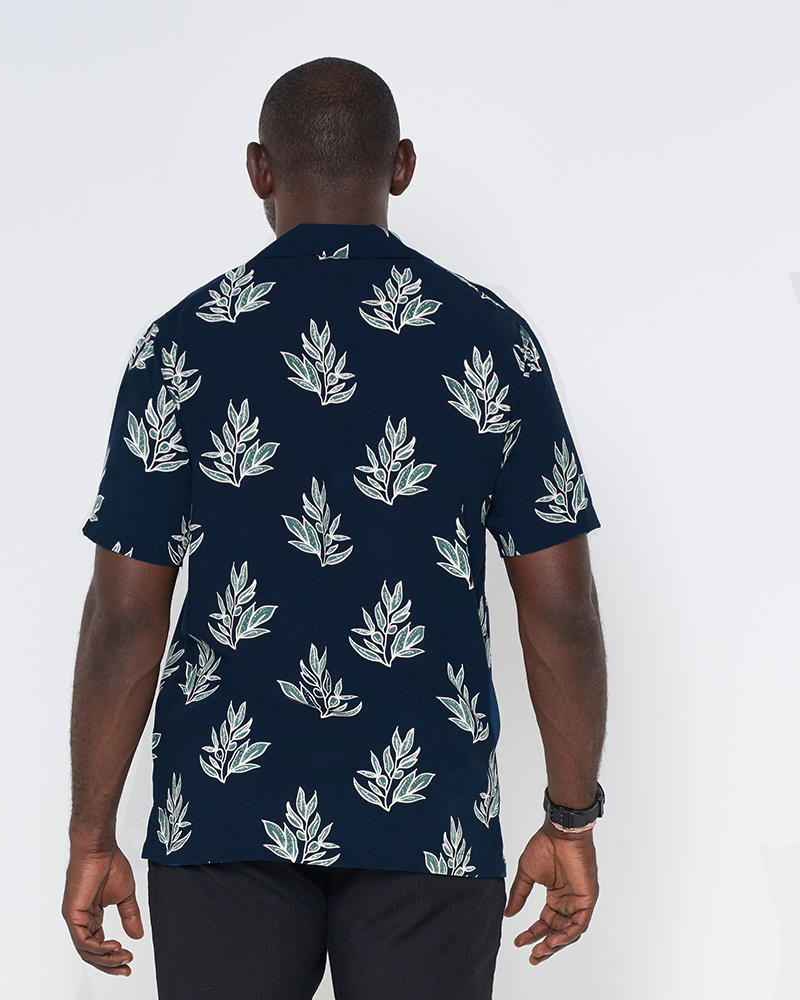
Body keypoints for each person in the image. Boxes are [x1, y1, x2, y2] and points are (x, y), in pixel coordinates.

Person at [62, 56, 607, 1000]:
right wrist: (570, 817)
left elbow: (123, 617)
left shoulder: (182, 345)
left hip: (221, 810)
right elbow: (560, 609)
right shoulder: (491, 341)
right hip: (427, 809)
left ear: (258, 170)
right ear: (399, 167)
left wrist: (89, 834)